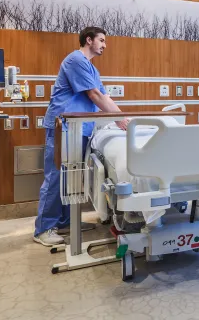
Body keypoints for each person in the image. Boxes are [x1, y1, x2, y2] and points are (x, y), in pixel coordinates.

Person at [34, 26, 129, 246]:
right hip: (65, 128)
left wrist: (125, 117)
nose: (105, 45)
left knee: (73, 177)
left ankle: (67, 221)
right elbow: (94, 95)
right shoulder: (75, 60)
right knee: (56, 177)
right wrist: (120, 120)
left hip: (80, 129)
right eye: (102, 40)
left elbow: (104, 95)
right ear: (89, 40)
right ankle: (44, 229)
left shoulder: (91, 69)